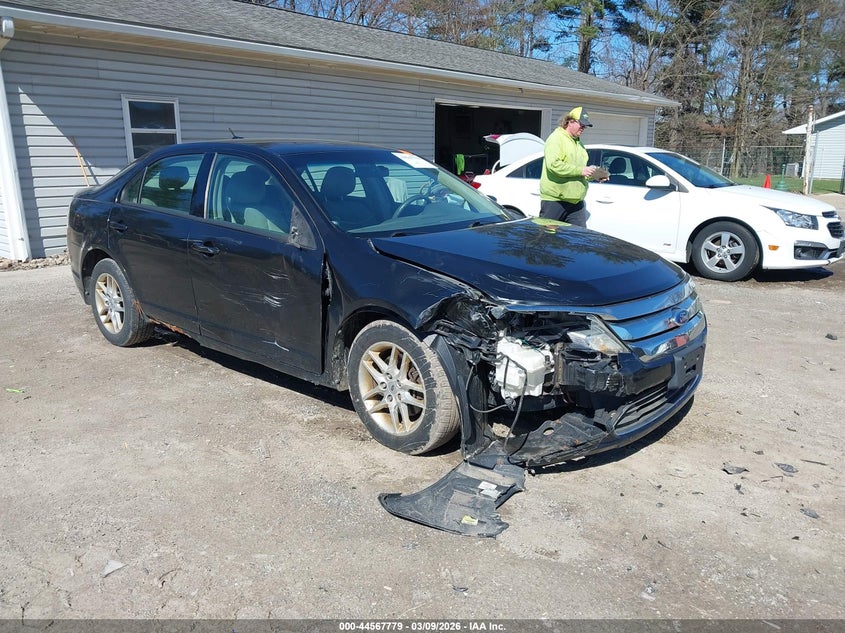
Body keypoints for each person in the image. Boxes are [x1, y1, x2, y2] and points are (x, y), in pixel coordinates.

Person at [539, 106, 603, 227]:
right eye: (581, 125)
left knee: (579, 236)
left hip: (576, 202)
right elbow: (554, 165)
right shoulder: (556, 139)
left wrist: (594, 175)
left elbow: (581, 171)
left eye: (585, 126)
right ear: (570, 121)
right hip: (555, 201)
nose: (583, 128)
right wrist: (581, 171)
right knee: (548, 236)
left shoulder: (579, 143)